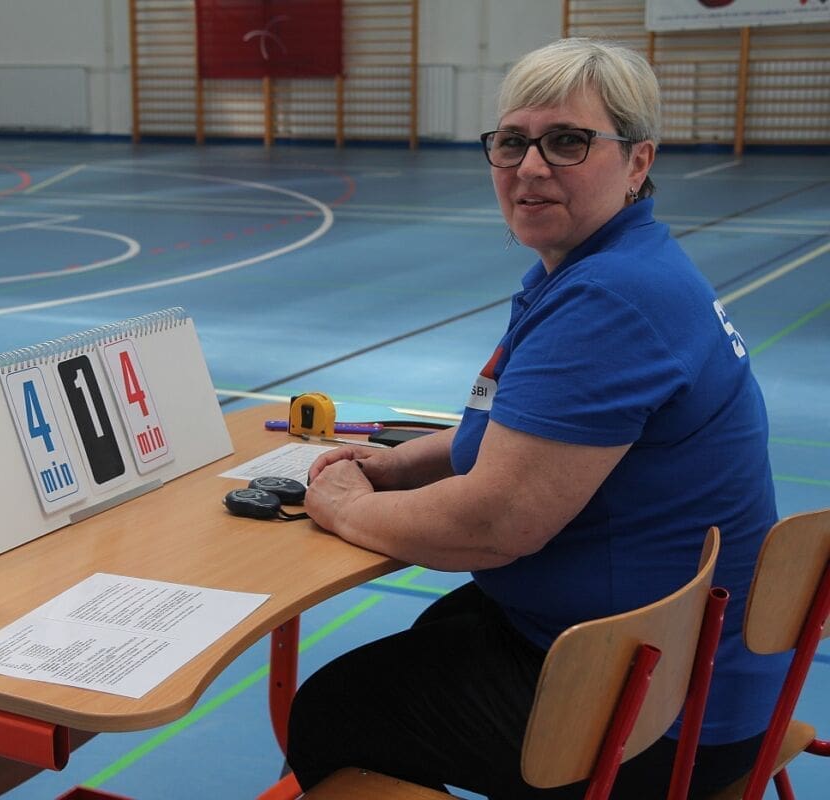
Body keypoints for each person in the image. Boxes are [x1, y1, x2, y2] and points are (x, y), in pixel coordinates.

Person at [286, 38, 786, 799]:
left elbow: (494, 525)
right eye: (512, 142)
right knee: (440, 634)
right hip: (685, 668)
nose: (529, 167)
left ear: (638, 162)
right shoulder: (613, 268)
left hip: (657, 715)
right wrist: (399, 464)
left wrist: (346, 507)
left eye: (567, 142)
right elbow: (526, 433)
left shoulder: (610, 301)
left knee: (334, 710)